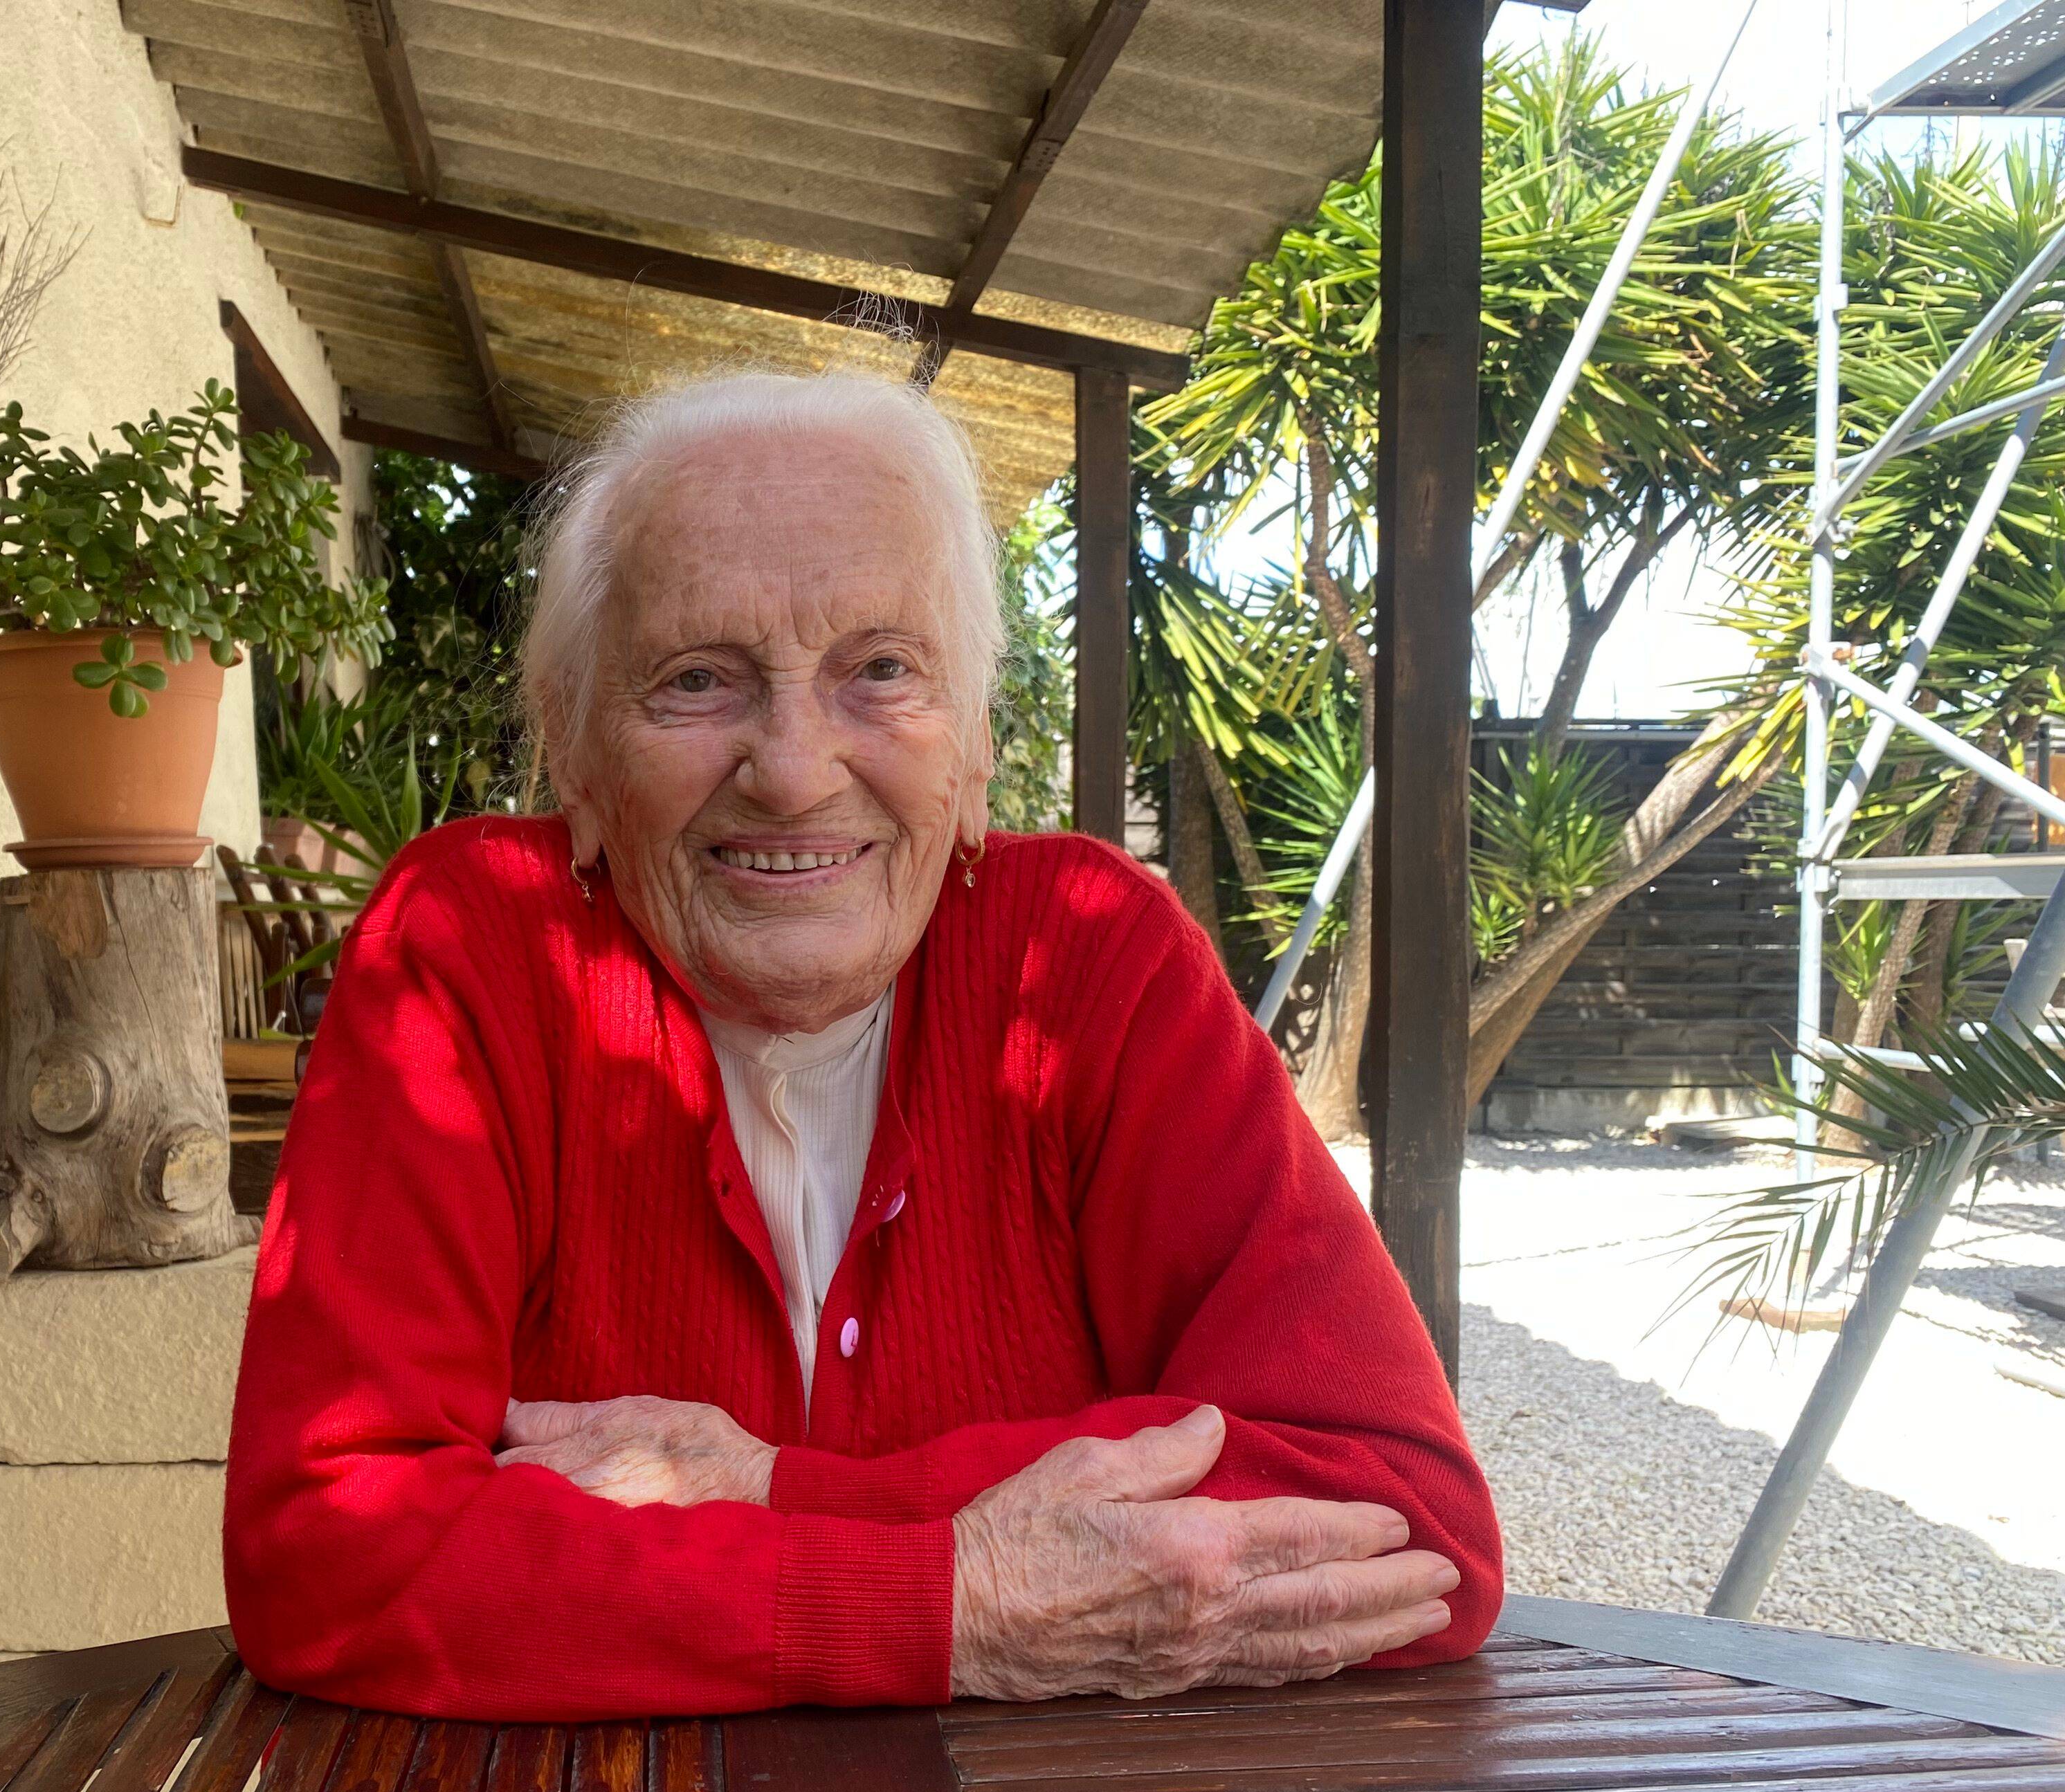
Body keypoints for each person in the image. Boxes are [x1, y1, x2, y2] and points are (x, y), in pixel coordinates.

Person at [222, 371, 1501, 1720]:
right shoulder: (474, 952)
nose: (793, 769)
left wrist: (777, 1494)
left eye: (880, 671)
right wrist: (948, 1600)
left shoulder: (1089, 960)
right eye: (698, 681)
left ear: (976, 744)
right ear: (573, 753)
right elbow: (328, 1550)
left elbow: (1408, 1521)